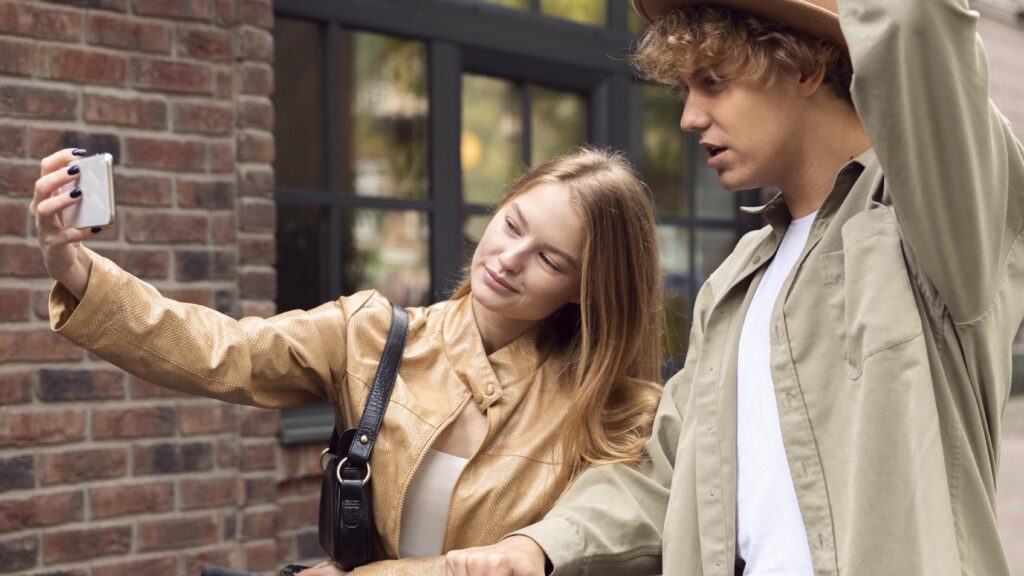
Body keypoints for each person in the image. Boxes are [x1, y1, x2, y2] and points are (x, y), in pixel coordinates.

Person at [446, 0, 1024, 574]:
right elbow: (666, 471)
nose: (689, 117)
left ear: (805, 69)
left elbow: (916, 24)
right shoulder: (737, 278)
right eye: (686, 90)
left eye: (714, 82)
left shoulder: (931, 225)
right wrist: (537, 547)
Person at [29, 147, 664, 575]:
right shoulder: (373, 335)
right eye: (511, 223)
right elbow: (221, 350)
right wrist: (77, 269)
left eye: (551, 259)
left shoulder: (614, 414)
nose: (508, 258)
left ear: (589, 288)